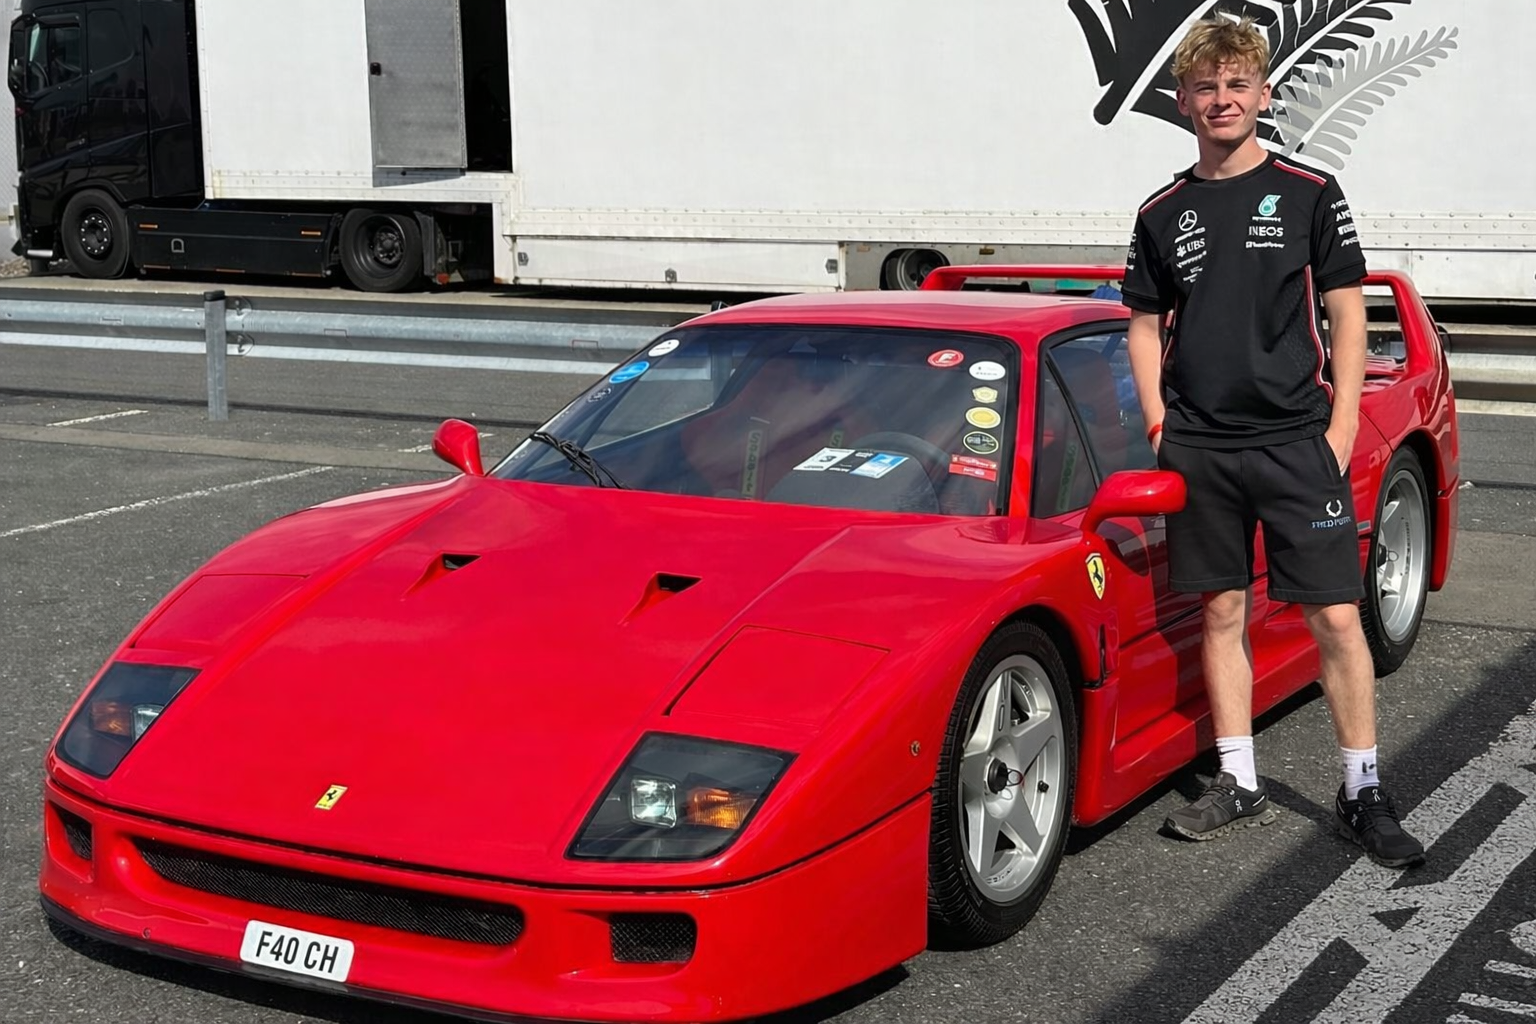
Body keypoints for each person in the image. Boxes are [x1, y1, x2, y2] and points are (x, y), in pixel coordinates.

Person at [1120, 13, 1425, 868]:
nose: (1222, 99)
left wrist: (1339, 426)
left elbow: (1347, 315)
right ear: (1183, 102)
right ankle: (1239, 779)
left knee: (1333, 614)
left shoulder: (1309, 192)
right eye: (1205, 87)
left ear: (1263, 94)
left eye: (1237, 85)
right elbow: (1143, 327)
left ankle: (1362, 786)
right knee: (1221, 611)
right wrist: (1156, 422)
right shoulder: (1161, 211)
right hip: (1202, 448)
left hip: (1297, 440)